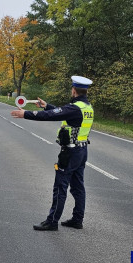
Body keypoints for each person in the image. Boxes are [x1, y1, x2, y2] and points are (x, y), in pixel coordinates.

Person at [11, 76, 94, 231]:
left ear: (74, 90)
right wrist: (47, 105)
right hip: (82, 151)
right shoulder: (86, 107)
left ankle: (52, 221)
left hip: (70, 153)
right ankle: (77, 219)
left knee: (60, 187)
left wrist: (26, 114)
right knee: (78, 187)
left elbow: (53, 115)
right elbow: (61, 113)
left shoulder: (75, 108)